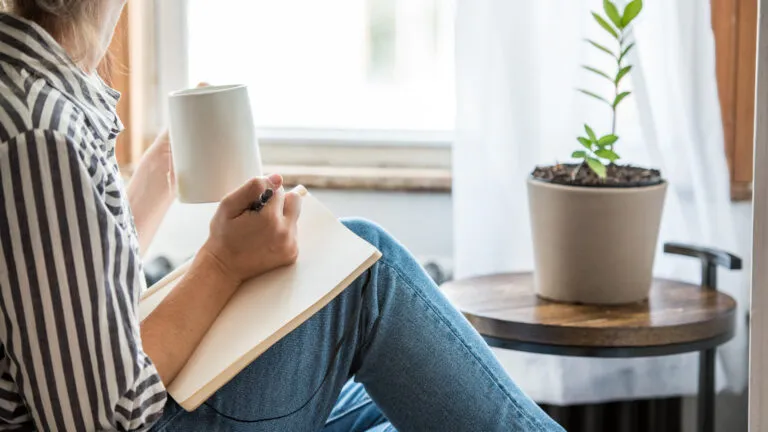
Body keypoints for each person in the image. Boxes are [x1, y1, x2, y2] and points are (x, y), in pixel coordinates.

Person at [0, 1, 563, 431]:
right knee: (368, 267)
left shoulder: (33, 95)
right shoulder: (40, 132)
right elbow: (103, 418)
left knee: (391, 403)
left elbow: (72, 306)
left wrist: (156, 178)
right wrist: (221, 263)